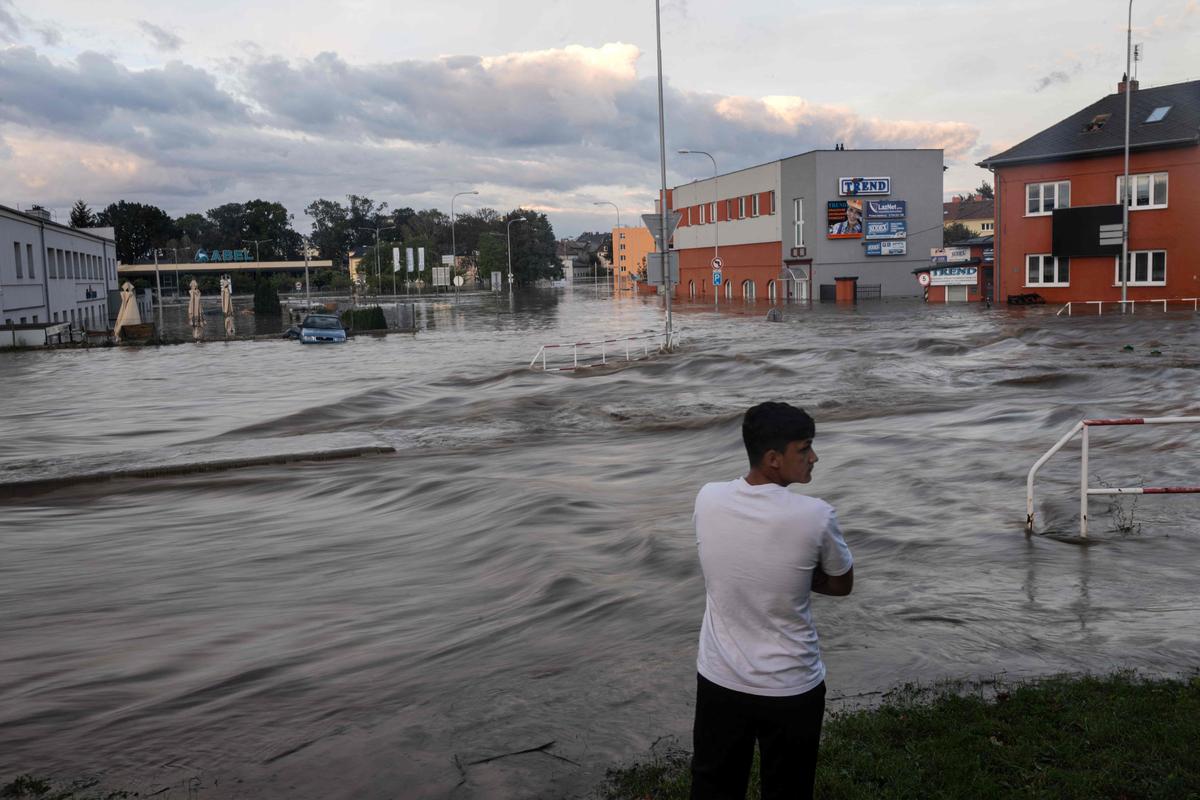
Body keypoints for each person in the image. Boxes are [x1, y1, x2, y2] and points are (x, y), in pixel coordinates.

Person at [690, 402, 854, 800]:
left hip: (720, 678)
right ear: (773, 459)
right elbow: (841, 583)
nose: (814, 457)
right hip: (791, 685)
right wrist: (793, 576)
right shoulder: (815, 515)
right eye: (805, 449)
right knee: (788, 789)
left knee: (714, 785)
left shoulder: (707, 497)